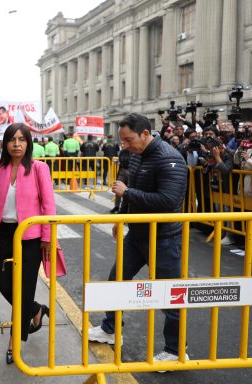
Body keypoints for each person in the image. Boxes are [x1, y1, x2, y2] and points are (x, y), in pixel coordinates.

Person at [88, 113, 189, 365]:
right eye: (122, 141)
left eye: (129, 140)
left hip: (164, 238)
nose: (125, 145)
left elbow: (168, 201)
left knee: (170, 295)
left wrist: (128, 192)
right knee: (116, 280)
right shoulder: (135, 154)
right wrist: (120, 218)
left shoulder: (170, 158)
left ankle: (177, 350)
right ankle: (109, 329)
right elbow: (130, 185)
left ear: (145, 134)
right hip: (136, 235)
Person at [0, 123, 56, 365]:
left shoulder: (39, 168)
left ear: (28, 143)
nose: (17, 144)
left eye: (22, 139)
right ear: (5, 143)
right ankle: (35, 310)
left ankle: (14, 345)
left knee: (24, 290)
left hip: (31, 239)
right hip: (5, 235)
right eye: (12, 139)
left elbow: (49, 205)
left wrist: (48, 238)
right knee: (4, 286)